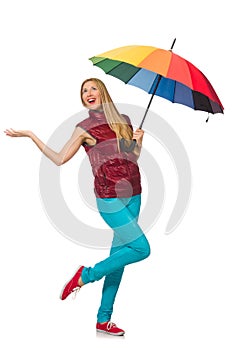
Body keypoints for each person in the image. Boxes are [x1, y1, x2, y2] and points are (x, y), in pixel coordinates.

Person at [4, 78, 150, 336]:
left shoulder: (123, 120)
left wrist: (138, 141)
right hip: (109, 198)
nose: (88, 93)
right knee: (141, 248)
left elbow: (132, 157)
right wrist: (30, 135)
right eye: (84, 91)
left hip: (135, 194)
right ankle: (86, 275)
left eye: (93, 88)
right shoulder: (84, 128)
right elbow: (59, 159)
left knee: (118, 261)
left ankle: (103, 321)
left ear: (102, 92)